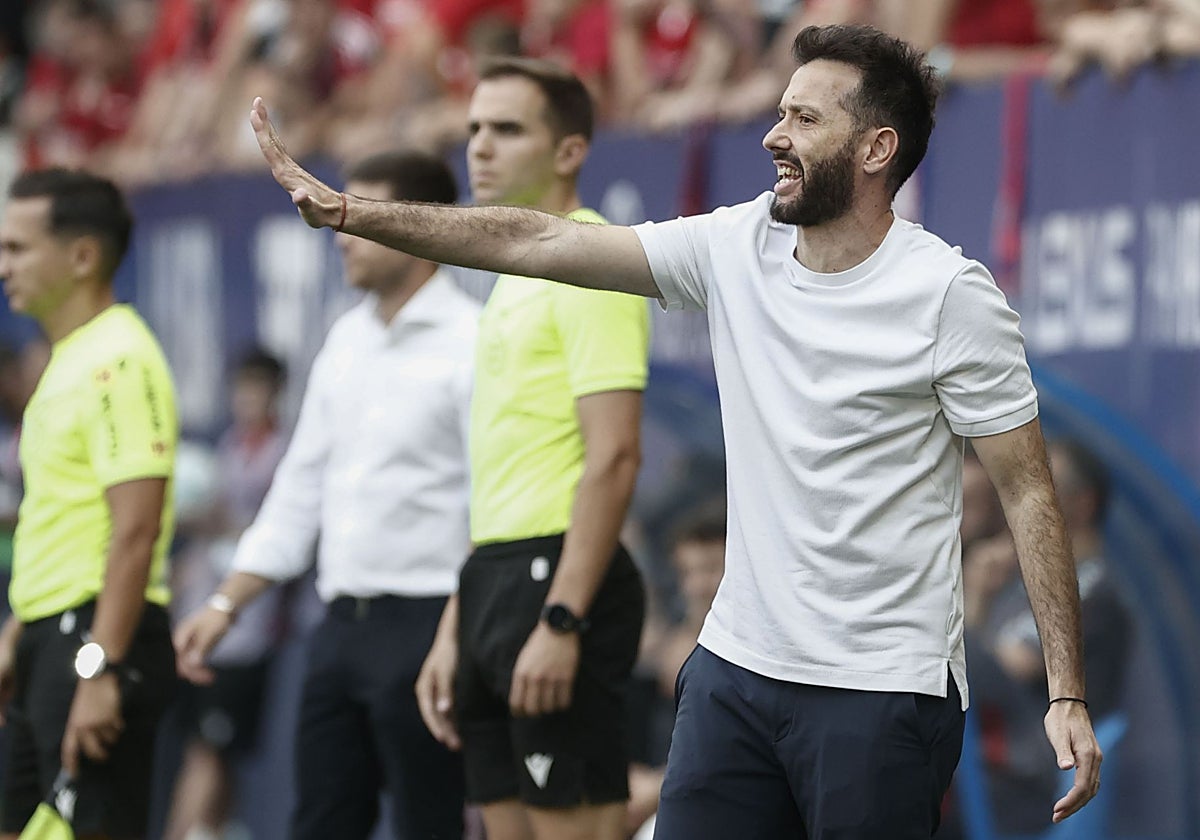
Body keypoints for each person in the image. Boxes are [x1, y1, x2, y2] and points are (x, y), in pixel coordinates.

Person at [251, 23, 1101, 839]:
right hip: (732, 674)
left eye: (805, 119)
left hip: (880, 692)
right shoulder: (737, 245)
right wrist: (351, 210)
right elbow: (538, 239)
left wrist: (1065, 691)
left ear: (876, 149)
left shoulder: (950, 295)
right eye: (780, 111)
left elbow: (1028, 491)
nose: (774, 135)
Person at [173, 150, 477, 840]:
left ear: (420, 225)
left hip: (432, 625)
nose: (339, 233)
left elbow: (493, 509)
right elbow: (298, 490)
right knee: (321, 821)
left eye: (357, 215)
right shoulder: (345, 340)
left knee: (432, 823)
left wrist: (457, 635)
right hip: (338, 626)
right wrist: (226, 604)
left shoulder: (474, 343)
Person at [409, 57, 650, 840]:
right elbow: (502, 481)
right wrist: (459, 622)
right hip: (495, 578)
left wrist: (563, 619)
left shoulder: (593, 261)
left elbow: (614, 457)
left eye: (506, 129)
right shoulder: (513, 277)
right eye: (473, 128)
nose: (479, 147)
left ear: (569, 152)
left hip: (556, 581)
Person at [0, 168, 179, 839]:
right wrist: (21, 634)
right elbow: (65, 520)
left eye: (16, 249)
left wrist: (99, 665)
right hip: (54, 636)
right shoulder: (66, 360)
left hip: (95, 642)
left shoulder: (119, 361)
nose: (2, 267)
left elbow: (137, 532)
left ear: (81, 257)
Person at [965, 437, 1132, 835]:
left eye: (1044, 483)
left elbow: (1006, 666)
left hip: (1044, 783)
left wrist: (972, 596)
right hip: (1006, 773)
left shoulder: (1093, 590)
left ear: (1083, 502)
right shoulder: (1014, 585)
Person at [163, 347, 290, 840]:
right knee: (208, 746)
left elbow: (283, 535)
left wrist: (225, 526)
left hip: (244, 635)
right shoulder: (227, 449)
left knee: (213, 749)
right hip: (203, 624)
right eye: (241, 387)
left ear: (276, 391)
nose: (247, 399)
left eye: (257, 387)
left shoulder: (285, 456)